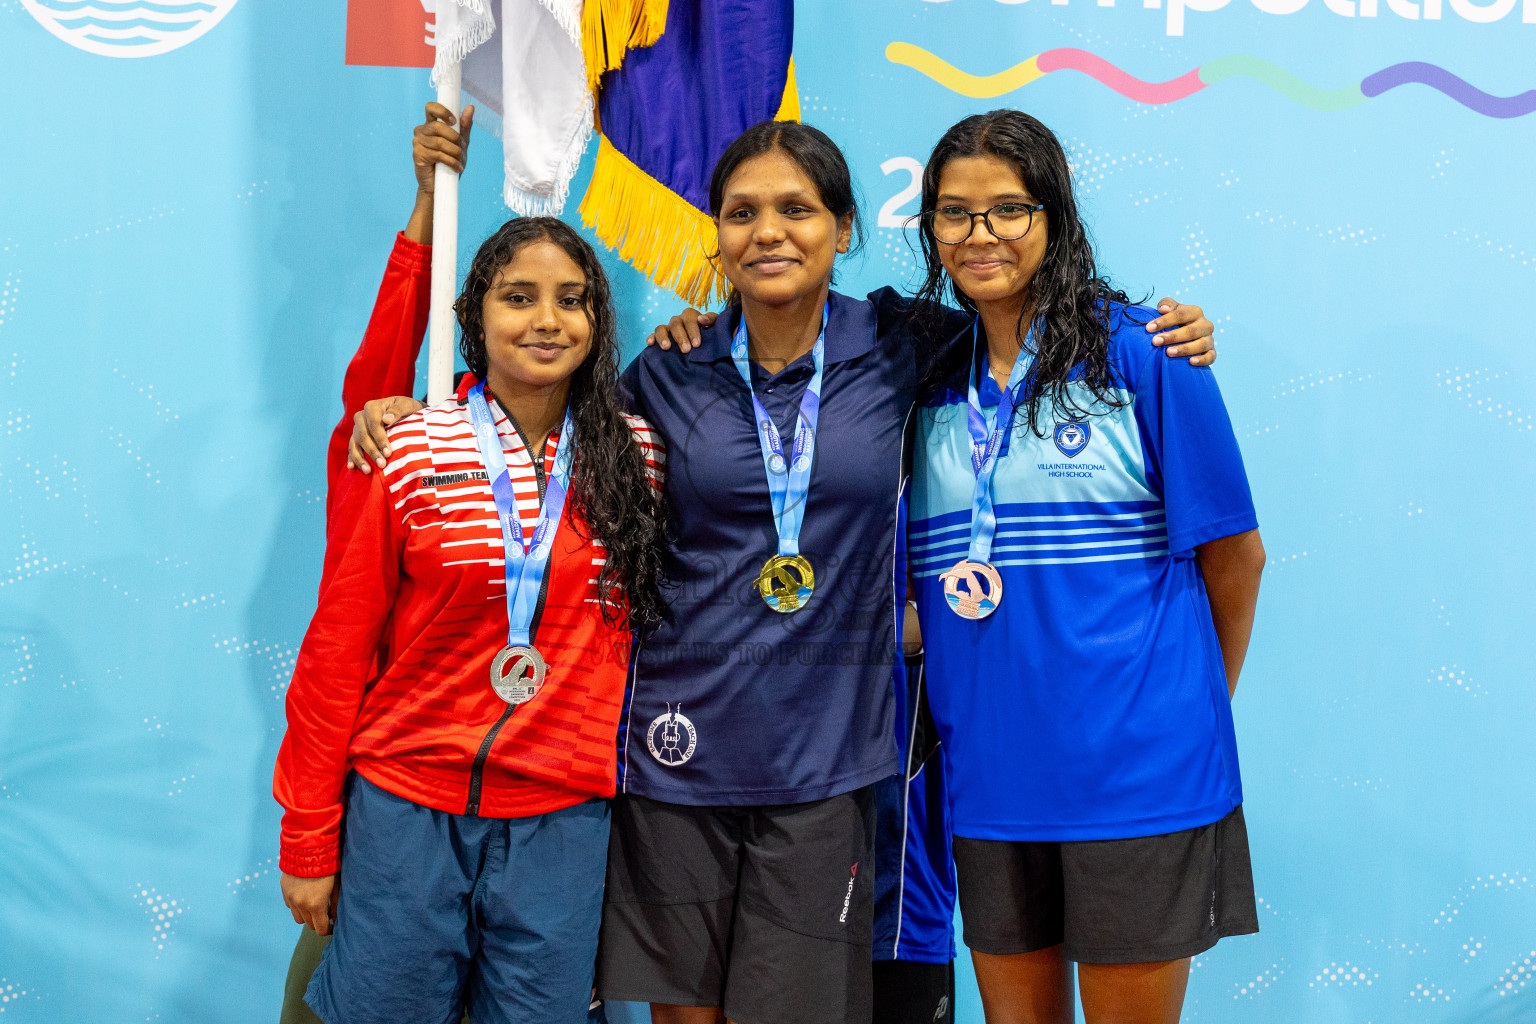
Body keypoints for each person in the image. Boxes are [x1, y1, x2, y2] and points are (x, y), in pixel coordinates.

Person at [353, 117, 1218, 1024]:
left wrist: (1155, 331)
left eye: (796, 209)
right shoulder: (669, 368)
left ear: (843, 228)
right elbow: (530, 426)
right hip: (673, 759)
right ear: (717, 236)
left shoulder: (904, 345)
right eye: (741, 212)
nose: (768, 231)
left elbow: (1024, 321)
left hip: (826, 770)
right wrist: (399, 405)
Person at [273, 123, 667, 1023]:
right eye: (519, 297)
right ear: (477, 316)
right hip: (407, 807)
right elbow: (338, 647)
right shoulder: (407, 445)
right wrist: (309, 831)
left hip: (565, 819)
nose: (546, 319)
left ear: (598, 322)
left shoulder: (637, 456)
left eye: (571, 300)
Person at [906, 109, 1265, 1024]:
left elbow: (1237, 556)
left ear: (1055, 218)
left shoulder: (1147, 352)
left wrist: (1184, 708)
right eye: (955, 213)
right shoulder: (929, 379)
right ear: (930, 229)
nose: (980, 235)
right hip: (989, 778)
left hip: (1137, 777)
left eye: (1008, 209)